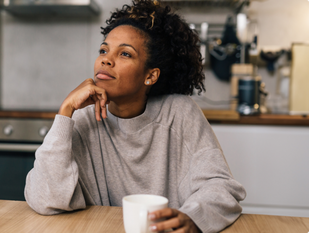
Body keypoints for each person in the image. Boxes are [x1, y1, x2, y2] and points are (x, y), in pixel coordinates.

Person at [24, 0, 246, 232]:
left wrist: (194, 218)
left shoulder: (179, 113)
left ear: (150, 76)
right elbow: (46, 199)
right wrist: (65, 111)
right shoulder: (82, 119)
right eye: (103, 50)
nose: (105, 59)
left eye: (125, 54)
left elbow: (221, 188)